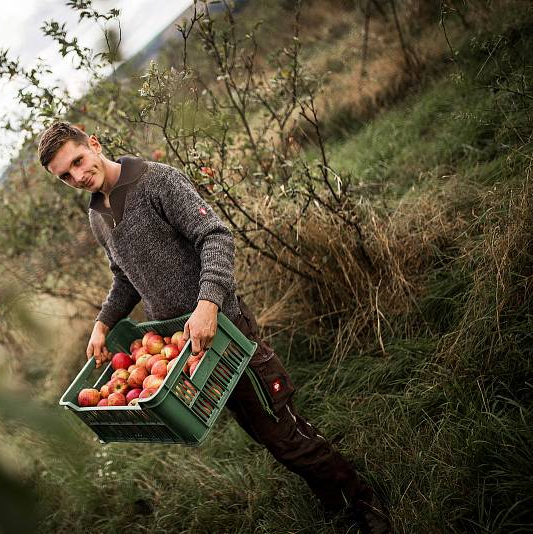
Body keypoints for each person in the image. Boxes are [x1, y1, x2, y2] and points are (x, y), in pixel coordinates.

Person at [38, 121, 391, 533]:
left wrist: (208, 304)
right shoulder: (97, 214)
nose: (78, 176)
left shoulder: (157, 181)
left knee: (280, 429)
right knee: (266, 432)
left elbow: (216, 236)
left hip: (225, 330)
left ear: (94, 145)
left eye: (78, 161)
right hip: (184, 348)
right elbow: (124, 277)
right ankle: (336, 498)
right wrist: (103, 323)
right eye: (65, 175)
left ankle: (362, 503)